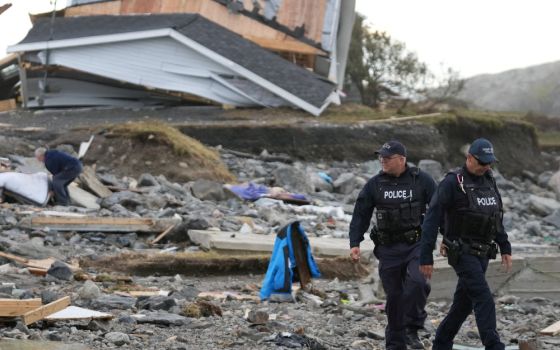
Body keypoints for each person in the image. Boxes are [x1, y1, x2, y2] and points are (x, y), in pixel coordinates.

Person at [419, 138, 513, 350]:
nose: (486, 167)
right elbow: (431, 220)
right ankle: (494, 345)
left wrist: (505, 246)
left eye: (489, 163)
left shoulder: (489, 179)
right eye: (482, 163)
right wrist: (426, 256)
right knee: (483, 297)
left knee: (463, 304)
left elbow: (494, 216)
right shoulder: (452, 182)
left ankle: (441, 343)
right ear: (469, 158)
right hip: (461, 252)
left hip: (483, 252)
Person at [349, 140, 437, 350]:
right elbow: (361, 213)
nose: (383, 161)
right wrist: (355, 242)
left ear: (402, 160)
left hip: (416, 244)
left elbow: (439, 209)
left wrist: (446, 238)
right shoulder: (375, 184)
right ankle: (396, 343)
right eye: (381, 157)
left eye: (387, 158)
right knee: (395, 297)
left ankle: (412, 327)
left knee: (418, 282)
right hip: (388, 249)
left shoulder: (421, 180)